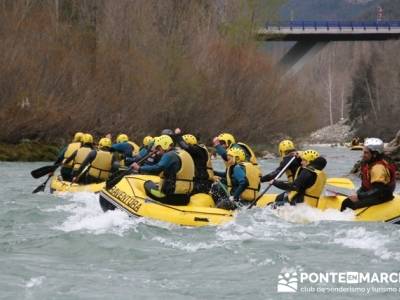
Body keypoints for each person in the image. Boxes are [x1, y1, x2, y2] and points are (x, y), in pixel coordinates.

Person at [131, 135, 195, 205]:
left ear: (165, 145)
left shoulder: (169, 155)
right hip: (185, 197)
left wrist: (139, 168)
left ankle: (150, 206)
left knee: (148, 184)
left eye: (159, 148)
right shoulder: (182, 153)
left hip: (170, 197)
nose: (158, 151)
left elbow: (157, 168)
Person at [341, 138, 396, 211]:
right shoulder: (370, 164)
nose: (363, 155)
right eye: (363, 152)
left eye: (366, 153)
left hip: (381, 196)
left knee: (349, 204)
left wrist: (359, 197)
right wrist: (357, 194)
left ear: (374, 154)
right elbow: (365, 187)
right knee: (347, 201)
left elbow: (378, 190)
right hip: (375, 194)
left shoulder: (378, 168)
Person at [174, 128, 214, 194]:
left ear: (190, 143)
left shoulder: (198, 150)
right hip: (197, 181)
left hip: (201, 182)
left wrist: (178, 135)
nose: (182, 149)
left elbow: (185, 146)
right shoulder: (194, 151)